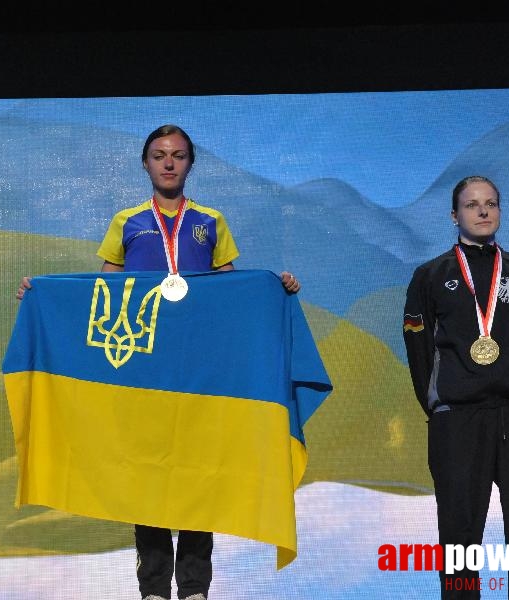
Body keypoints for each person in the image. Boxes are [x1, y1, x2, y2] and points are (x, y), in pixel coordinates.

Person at [17, 124, 299, 600]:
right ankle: (152, 588)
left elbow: (231, 291)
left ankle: (194, 586)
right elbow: (101, 293)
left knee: (197, 472)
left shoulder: (210, 220)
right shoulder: (127, 220)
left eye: (179, 155)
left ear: (190, 163)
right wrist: (43, 295)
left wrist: (275, 289)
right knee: (145, 473)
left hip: (198, 368)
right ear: (145, 163)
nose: (169, 163)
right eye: (159, 155)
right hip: (144, 369)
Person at [402, 175, 509, 599]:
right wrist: (441, 403)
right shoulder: (430, 276)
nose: (483, 210)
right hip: (458, 418)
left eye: (491, 203)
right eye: (472, 205)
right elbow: (418, 349)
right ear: (455, 215)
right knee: (459, 530)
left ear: (500, 211)